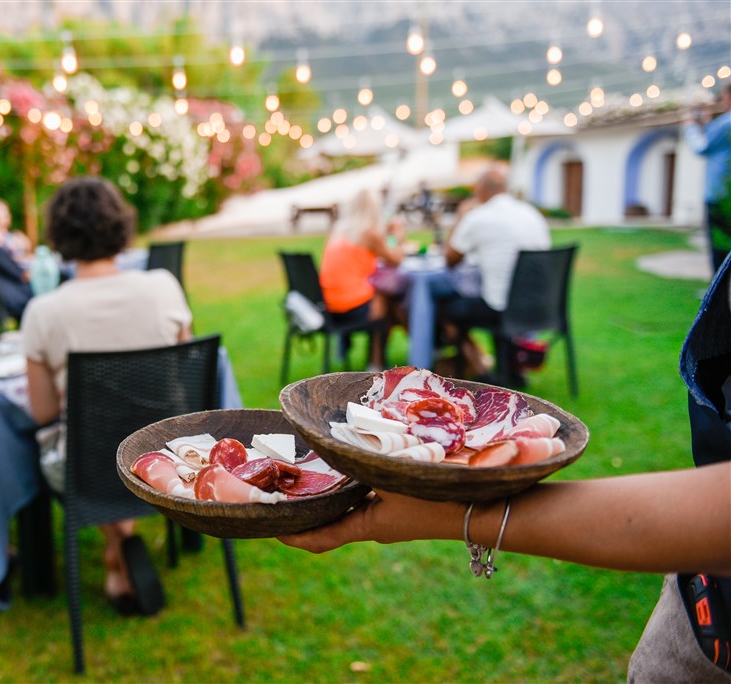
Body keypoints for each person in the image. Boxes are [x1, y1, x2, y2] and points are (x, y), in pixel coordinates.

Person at [280, 254, 731, 681]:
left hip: (715, 629)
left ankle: (466, 351)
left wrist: (450, 518)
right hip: (697, 602)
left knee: (430, 305)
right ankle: (475, 355)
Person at [21, 177, 192, 615]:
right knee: (125, 436)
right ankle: (122, 542)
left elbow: (42, 412)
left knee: (61, 446)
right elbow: (182, 372)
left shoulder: (44, 311)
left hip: (90, 469)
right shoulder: (163, 286)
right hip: (170, 453)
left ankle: (117, 545)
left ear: (58, 235)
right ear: (120, 225)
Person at [443, 166, 551, 382]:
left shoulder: (478, 217)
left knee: (446, 309)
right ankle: (513, 370)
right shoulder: (532, 213)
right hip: (541, 307)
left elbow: (450, 259)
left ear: (479, 192)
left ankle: (482, 372)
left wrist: (460, 218)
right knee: (493, 294)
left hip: (502, 308)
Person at [319, 188, 407, 371]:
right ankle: (376, 363)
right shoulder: (368, 232)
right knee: (388, 303)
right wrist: (397, 235)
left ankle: (373, 361)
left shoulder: (339, 230)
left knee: (383, 299)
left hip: (329, 305)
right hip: (351, 306)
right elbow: (395, 259)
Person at [685, 83, 731, 275]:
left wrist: (690, 127)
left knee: (720, 250)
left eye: (723, 97)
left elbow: (702, 147)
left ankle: (719, 291)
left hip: (720, 195)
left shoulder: (726, 123)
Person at [0, 197, 32, 266]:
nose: (7, 214)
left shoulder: (12, 236)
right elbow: (3, 262)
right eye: (2, 211)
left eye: (7, 211)